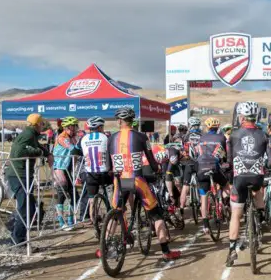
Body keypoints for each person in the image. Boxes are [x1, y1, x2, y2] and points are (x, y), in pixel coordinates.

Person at [105, 107, 180, 263]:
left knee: (116, 212)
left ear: (119, 121)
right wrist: (157, 169)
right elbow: (152, 162)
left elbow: (107, 166)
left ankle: (106, 246)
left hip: (120, 181)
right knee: (156, 214)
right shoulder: (141, 137)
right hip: (137, 180)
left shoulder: (111, 138)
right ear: (132, 121)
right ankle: (166, 252)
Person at [225, 101, 268, 266]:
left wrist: (229, 177)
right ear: (255, 117)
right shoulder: (263, 135)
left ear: (241, 117)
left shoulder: (233, 135)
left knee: (236, 215)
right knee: (258, 189)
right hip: (257, 177)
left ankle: (231, 251)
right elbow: (269, 160)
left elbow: (228, 162)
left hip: (239, 178)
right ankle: (261, 214)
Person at [6, 113, 53, 246]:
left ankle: (14, 230)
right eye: (41, 124)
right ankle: (18, 240)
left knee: (30, 208)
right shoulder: (28, 135)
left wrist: (47, 153)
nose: (42, 126)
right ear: (38, 124)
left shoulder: (30, 134)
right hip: (19, 174)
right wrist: (39, 153)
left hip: (23, 174)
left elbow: (38, 146)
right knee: (26, 209)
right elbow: (19, 152)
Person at [194, 117, 229, 235]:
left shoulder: (201, 138)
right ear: (217, 127)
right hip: (214, 167)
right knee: (226, 186)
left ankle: (205, 226)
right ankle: (223, 204)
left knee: (204, 198)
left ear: (207, 127)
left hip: (200, 168)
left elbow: (197, 153)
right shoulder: (221, 137)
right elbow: (225, 154)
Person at [52, 117, 83, 230]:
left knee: (75, 195)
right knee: (62, 194)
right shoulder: (62, 137)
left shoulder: (73, 137)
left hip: (68, 168)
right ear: (68, 127)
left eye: (76, 126)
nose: (76, 128)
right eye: (74, 126)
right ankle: (61, 222)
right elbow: (74, 150)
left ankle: (70, 219)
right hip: (59, 168)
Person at [79, 116, 111, 224]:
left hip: (90, 174)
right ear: (99, 127)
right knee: (117, 187)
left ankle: (93, 221)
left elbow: (76, 151)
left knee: (91, 198)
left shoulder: (83, 139)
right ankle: (114, 211)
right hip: (105, 174)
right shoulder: (106, 138)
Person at [179, 117, 203, 218]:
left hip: (188, 163)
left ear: (189, 125)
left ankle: (181, 209)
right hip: (200, 163)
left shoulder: (185, 136)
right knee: (202, 186)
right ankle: (205, 208)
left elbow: (182, 150)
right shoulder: (203, 135)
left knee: (185, 187)